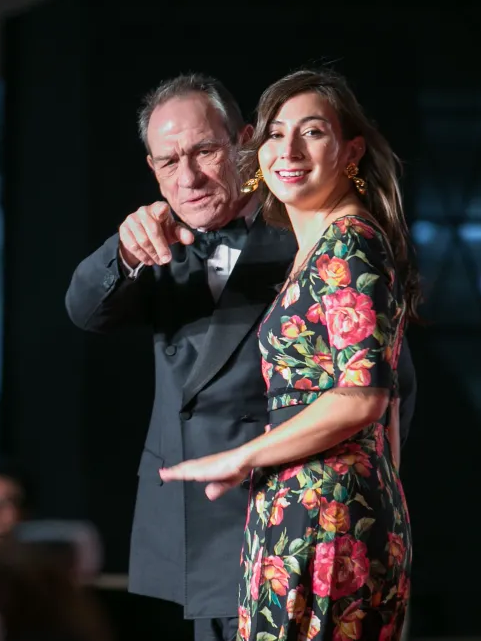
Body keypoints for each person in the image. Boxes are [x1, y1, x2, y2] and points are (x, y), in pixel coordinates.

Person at [64, 74, 417, 641]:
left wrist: (371, 519)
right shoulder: (155, 240)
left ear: (243, 144)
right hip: (205, 516)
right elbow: (84, 309)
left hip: (300, 511)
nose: (189, 177)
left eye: (204, 151)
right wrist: (124, 251)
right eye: (168, 161)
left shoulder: (316, 233)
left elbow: (385, 391)